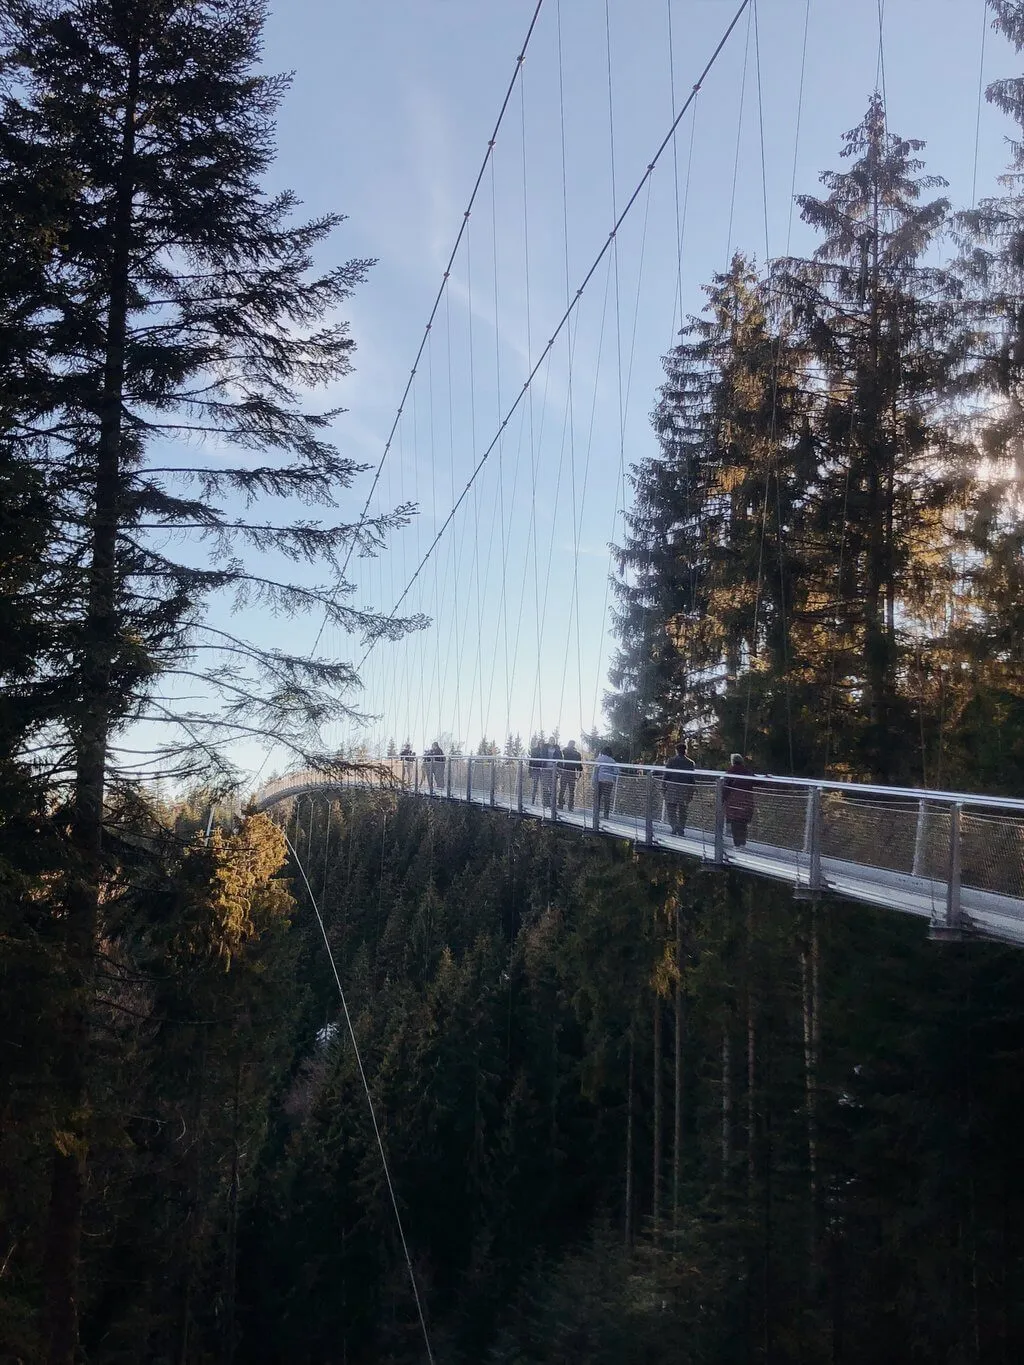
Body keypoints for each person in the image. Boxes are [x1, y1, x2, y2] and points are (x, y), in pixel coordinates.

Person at [661, 740, 696, 835]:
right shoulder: (690, 763)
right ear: (685, 751)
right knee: (683, 810)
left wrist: (663, 787)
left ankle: (674, 826)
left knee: (671, 809)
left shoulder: (671, 761)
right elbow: (692, 779)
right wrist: (692, 791)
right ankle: (681, 828)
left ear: (676, 751)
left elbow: (666, 775)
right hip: (685, 789)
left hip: (672, 789)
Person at [722, 752, 755, 847]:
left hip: (734, 804)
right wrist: (767, 778)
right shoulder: (747, 772)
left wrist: (722, 800)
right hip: (746, 803)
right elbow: (757, 781)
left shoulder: (730, 772)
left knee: (735, 825)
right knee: (743, 825)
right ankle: (742, 844)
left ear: (732, 762)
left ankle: (737, 845)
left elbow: (725, 788)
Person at [593, 748, 618, 819]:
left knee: (597, 797)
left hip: (600, 780)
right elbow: (616, 772)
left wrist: (594, 782)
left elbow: (595, 772)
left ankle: (596, 813)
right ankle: (606, 814)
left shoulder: (599, 759)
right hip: (609, 781)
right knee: (607, 797)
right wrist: (613, 779)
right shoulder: (612, 761)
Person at [558, 739, 583, 811]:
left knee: (563, 789)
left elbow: (578, 764)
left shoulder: (564, 751)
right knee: (570, 790)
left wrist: (580, 771)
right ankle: (570, 806)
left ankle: (561, 804)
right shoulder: (576, 754)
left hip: (566, 772)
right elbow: (579, 765)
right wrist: (580, 772)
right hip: (571, 773)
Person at [529, 739, 546, 804]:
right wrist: (530, 771)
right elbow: (531, 760)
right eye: (540, 743)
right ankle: (533, 800)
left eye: (542, 743)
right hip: (536, 770)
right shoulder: (534, 750)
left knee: (544, 786)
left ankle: (544, 802)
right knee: (535, 785)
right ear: (538, 743)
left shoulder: (545, 751)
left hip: (543, 770)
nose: (541, 744)